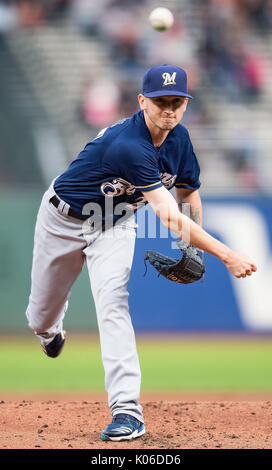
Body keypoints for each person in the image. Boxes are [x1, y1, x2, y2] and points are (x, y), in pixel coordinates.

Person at [25, 64, 257, 442]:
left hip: (114, 223)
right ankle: (49, 330)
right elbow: (167, 215)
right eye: (161, 101)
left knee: (115, 300)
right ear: (142, 101)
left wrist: (188, 247)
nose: (169, 109)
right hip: (62, 220)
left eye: (177, 102)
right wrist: (226, 254)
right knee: (40, 314)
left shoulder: (179, 140)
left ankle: (126, 410)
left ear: (185, 104)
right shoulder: (128, 145)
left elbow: (188, 191)